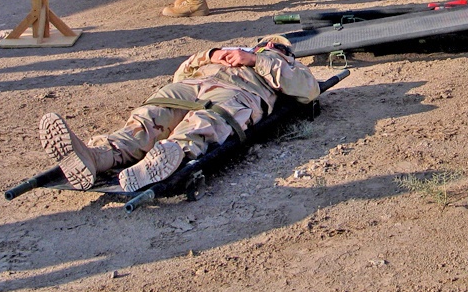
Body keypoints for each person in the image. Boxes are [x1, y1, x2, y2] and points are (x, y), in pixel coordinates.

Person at [39, 35, 320, 192]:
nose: (268, 44)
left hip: (237, 93)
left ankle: (167, 157)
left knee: (208, 120)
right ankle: (99, 156)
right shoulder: (230, 50)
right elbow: (180, 73)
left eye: (276, 45)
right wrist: (210, 55)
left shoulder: (288, 65)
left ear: (283, 51)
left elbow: (308, 91)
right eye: (264, 42)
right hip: (191, 85)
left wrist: (257, 60)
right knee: (151, 114)